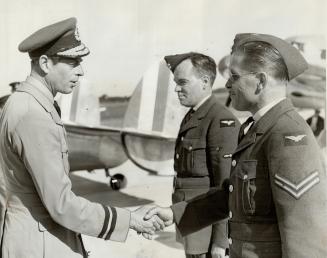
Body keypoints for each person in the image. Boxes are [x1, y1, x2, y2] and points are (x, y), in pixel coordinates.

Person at [145, 33, 327, 258]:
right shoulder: (255, 129)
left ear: (260, 81)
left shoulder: (287, 136)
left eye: (234, 76)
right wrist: (174, 214)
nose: (228, 83)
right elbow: (231, 195)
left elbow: (304, 235)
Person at [0, 17, 164, 258]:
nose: (81, 71)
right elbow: (61, 205)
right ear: (45, 63)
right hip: (40, 243)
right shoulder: (32, 114)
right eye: (73, 62)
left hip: (35, 235)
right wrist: (130, 219)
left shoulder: (24, 103)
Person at [164, 52, 240, 258]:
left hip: (206, 231)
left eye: (182, 82)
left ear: (205, 81)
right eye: (175, 82)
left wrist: (220, 241)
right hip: (192, 223)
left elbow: (226, 187)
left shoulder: (220, 120)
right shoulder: (193, 115)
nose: (176, 88)